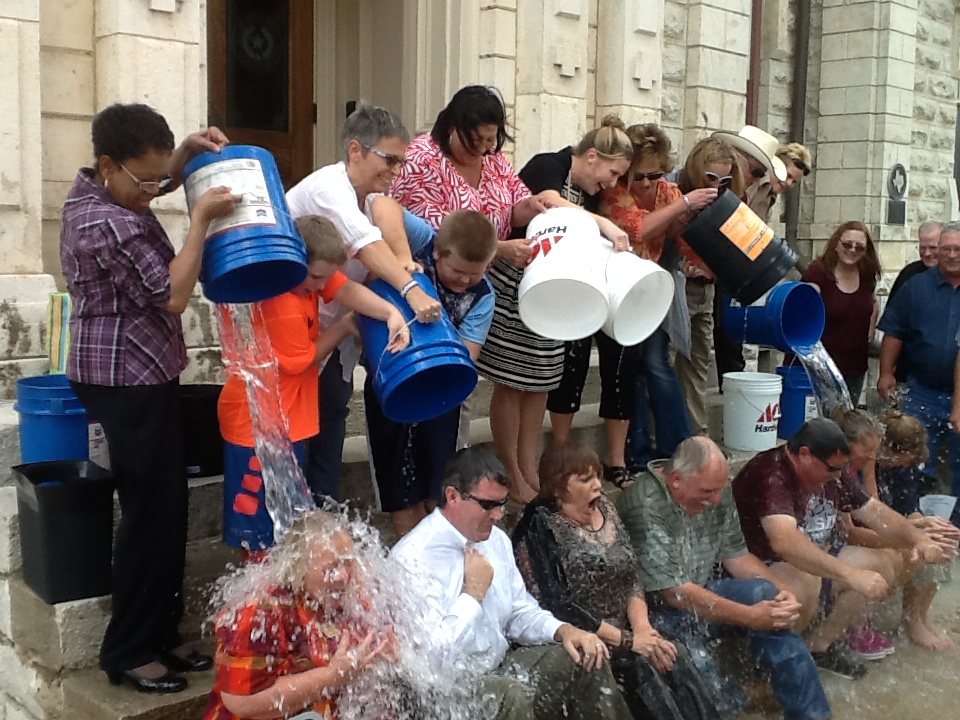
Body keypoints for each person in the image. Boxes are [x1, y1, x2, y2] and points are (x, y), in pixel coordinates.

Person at [60, 103, 241, 692]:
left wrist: (184, 157)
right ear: (108, 165)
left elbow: (150, 181)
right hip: (121, 378)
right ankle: (129, 650)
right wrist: (199, 223)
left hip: (145, 370)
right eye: (144, 180)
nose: (152, 191)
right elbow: (172, 294)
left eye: (157, 178)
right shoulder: (102, 223)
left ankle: (160, 633)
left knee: (169, 508)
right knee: (146, 514)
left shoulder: (111, 191)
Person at [390, 447, 634, 720]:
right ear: (453, 496)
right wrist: (472, 596)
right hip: (445, 692)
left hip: (500, 668)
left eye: (502, 504)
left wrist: (564, 630)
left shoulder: (495, 540)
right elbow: (427, 659)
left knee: (585, 656)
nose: (497, 516)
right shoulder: (412, 558)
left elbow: (520, 612)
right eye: (488, 505)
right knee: (507, 694)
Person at [217, 216, 409, 555]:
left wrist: (390, 313)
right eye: (317, 278)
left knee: (289, 523)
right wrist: (344, 327)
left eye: (325, 278)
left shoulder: (303, 279)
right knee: (259, 529)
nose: (322, 288)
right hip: (257, 427)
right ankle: (258, 598)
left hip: (287, 421)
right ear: (294, 259)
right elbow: (301, 360)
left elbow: (344, 288)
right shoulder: (283, 303)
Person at [285, 105, 444, 504]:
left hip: (335, 336)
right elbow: (364, 245)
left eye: (401, 162)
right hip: (292, 337)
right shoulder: (329, 189)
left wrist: (403, 270)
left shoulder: (369, 198)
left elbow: (357, 270)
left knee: (330, 431)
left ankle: (326, 528)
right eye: (389, 160)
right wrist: (410, 291)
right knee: (295, 446)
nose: (396, 172)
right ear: (355, 150)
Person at [617, 436, 831, 720]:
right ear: (676, 479)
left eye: (720, 489)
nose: (717, 499)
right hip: (656, 613)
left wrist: (783, 591)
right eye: (708, 491)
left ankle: (812, 715)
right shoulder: (645, 505)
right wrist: (750, 616)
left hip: (702, 592)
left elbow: (737, 556)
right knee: (701, 677)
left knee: (769, 597)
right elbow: (675, 593)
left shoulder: (715, 488)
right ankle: (738, 702)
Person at [512, 440, 722, 719]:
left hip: (627, 631)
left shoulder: (606, 509)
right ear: (558, 487)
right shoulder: (539, 524)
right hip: (579, 639)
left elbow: (631, 574)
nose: (598, 485)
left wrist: (643, 630)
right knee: (638, 667)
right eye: (585, 479)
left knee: (674, 654)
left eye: (597, 476)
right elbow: (559, 603)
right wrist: (627, 641)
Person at [487, 116, 634, 502]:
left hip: (556, 292)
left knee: (541, 383)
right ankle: (511, 471)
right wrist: (602, 223)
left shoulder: (588, 193)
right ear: (590, 156)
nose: (613, 184)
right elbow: (549, 203)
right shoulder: (548, 164)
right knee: (512, 382)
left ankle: (530, 468)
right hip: (517, 284)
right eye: (612, 172)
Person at [731, 418, 947, 679]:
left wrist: (918, 539)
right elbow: (785, 542)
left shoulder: (833, 467)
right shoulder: (772, 474)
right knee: (806, 579)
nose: (837, 477)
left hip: (809, 558)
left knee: (877, 566)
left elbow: (874, 512)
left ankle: (818, 647)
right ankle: (770, 670)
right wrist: (850, 575)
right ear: (805, 455)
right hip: (757, 569)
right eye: (832, 470)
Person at [366, 207, 499, 538]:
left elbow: (469, 353)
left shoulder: (483, 296)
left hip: (443, 391)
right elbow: (383, 205)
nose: (465, 280)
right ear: (438, 251)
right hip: (393, 382)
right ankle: (407, 549)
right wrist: (400, 256)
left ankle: (434, 546)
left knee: (437, 479)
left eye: (475, 273)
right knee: (398, 482)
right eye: (456, 270)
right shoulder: (425, 240)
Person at [598, 123, 717, 472]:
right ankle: (653, 452)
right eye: (639, 175)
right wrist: (683, 204)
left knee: (653, 364)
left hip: (652, 291)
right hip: (618, 291)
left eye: (655, 174)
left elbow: (681, 241)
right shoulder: (617, 192)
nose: (647, 183)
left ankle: (671, 448)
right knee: (634, 371)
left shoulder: (669, 192)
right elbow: (636, 228)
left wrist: (702, 262)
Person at [202, 511, 398, 719]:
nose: (342, 576)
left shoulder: (357, 592)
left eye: (347, 563)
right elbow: (240, 702)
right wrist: (331, 676)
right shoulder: (260, 610)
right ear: (299, 568)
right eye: (331, 568)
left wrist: (391, 662)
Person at [880, 222, 960, 526]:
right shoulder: (917, 287)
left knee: (959, 465)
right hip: (921, 390)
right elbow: (894, 332)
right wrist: (886, 372)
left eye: (957, 249)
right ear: (936, 252)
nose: (952, 255)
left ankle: (954, 532)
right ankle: (911, 522)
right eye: (946, 249)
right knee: (912, 460)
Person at [671, 137, 746, 434]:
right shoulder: (674, 191)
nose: (717, 185)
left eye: (724, 179)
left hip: (706, 287)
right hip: (674, 285)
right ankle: (662, 437)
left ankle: (696, 435)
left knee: (697, 364)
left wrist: (716, 269)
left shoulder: (730, 199)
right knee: (664, 364)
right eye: (711, 177)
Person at [709, 125, 788, 391]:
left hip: (729, 265)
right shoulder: (723, 186)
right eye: (755, 172)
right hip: (700, 267)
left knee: (728, 329)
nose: (757, 178)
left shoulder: (745, 192)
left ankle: (731, 381)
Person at [876, 409, 960, 650]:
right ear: (889, 451)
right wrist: (915, 528)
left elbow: (909, 507)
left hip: (895, 526)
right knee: (921, 543)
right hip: (876, 532)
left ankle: (920, 615)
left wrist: (925, 522)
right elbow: (875, 516)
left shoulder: (903, 467)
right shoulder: (872, 467)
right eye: (906, 456)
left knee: (941, 537)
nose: (909, 462)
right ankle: (912, 621)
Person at [800, 221, 881, 405]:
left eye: (859, 247)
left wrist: (871, 328)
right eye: (847, 244)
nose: (852, 250)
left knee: (846, 427)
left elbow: (872, 303)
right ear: (837, 243)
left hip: (853, 367)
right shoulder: (818, 272)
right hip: (818, 368)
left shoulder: (867, 275)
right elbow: (804, 308)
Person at [888, 221, 941, 384]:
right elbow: (893, 327)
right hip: (910, 373)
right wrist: (887, 370)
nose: (927, 253)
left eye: (933, 248)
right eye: (922, 247)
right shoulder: (909, 276)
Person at [745, 142, 813, 223]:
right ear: (776, 165)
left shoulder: (771, 197)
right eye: (788, 175)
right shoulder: (753, 179)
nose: (789, 183)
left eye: (794, 182)